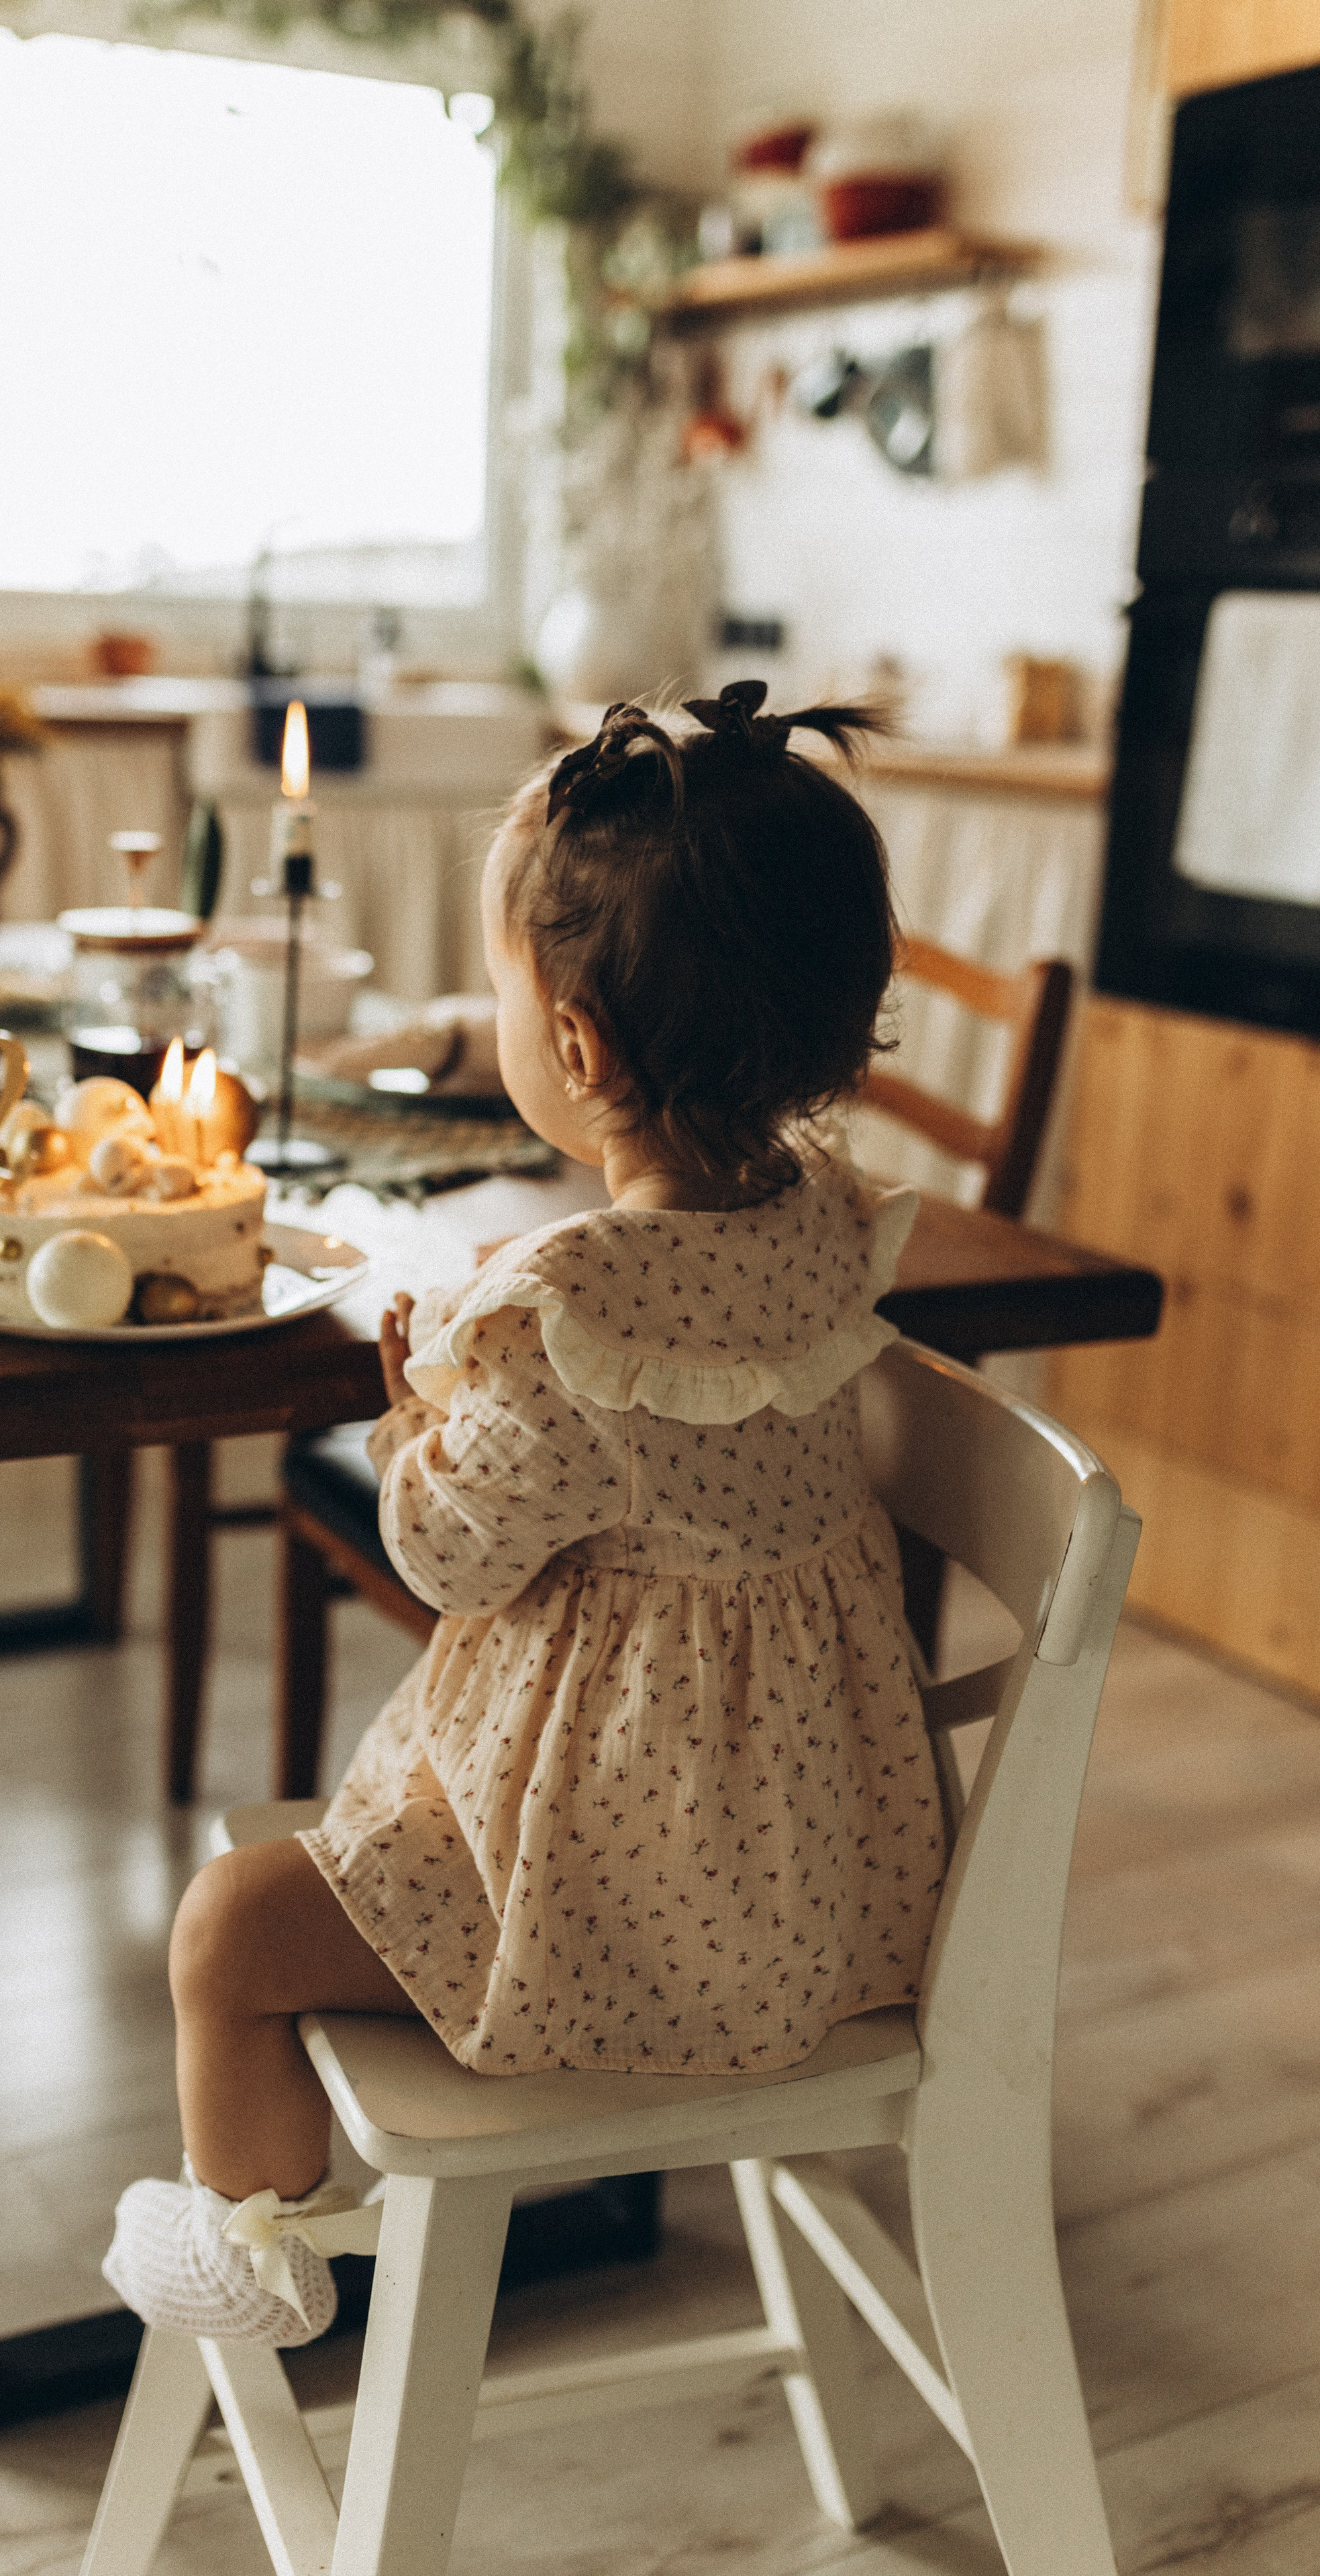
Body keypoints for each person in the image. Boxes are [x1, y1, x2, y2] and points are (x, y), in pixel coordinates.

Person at [103, 680, 946, 2346]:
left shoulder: (564, 1311)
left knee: (226, 1933)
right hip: (820, 1881)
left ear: (573, 1048)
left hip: (616, 1896)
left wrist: (418, 1406)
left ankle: (259, 2257)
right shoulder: (835, 1227)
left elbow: (442, 1556)